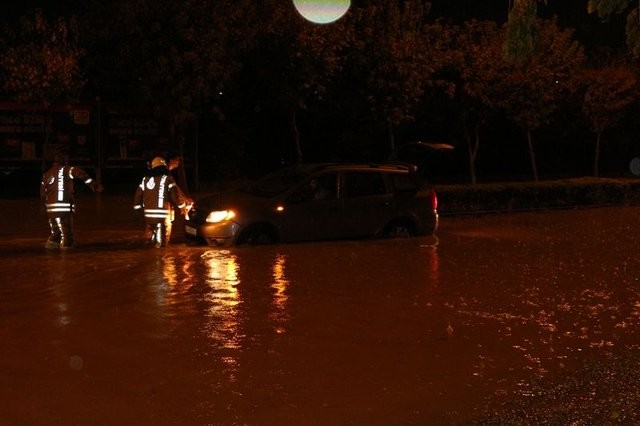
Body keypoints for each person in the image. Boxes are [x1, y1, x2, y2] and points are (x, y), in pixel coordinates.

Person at [40, 153, 99, 249]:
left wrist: (43, 207)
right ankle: (67, 253)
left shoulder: (46, 175)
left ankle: (52, 246)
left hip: (50, 209)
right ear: (64, 161)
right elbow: (82, 174)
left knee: (56, 232)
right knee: (67, 234)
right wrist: (94, 185)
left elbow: (42, 194)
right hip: (64, 208)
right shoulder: (68, 170)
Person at [133, 156, 189, 247]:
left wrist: (137, 210)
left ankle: (148, 250)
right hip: (162, 215)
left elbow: (137, 197)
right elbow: (175, 196)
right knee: (163, 241)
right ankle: (161, 254)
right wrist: (182, 206)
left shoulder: (145, 179)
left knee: (150, 236)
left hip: (148, 216)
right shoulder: (167, 178)